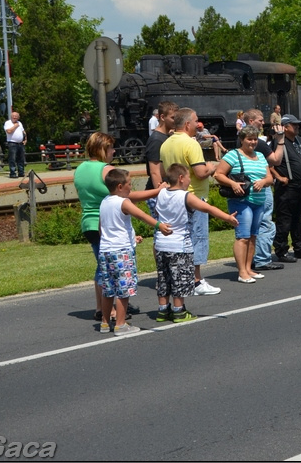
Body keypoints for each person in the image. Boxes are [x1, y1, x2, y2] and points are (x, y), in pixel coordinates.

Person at [75, 132, 157, 325]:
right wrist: (157, 191)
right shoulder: (107, 169)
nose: (113, 151)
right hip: (108, 223)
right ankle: (111, 310)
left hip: (88, 221)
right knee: (112, 269)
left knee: (102, 264)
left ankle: (101, 307)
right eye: (111, 148)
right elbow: (128, 195)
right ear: (103, 148)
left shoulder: (80, 169)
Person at [154, 164, 238, 321]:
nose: (188, 181)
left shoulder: (161, 193)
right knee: (180, 278)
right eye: (188, 177)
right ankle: (179, 310)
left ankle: (163, 310)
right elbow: (207, 208)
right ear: (180, 178)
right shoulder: (185, 196)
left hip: (160, 244)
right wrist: (227, 217)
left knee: (164, 278)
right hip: (179, 245)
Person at [97, 168, 172, 334]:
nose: (131, 187)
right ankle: (120, 324)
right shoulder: (123, 202)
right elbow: (141, 215)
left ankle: (104, 322)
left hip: (106, 251)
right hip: (121, 251)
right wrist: (160, 225)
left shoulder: (104, 201)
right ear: (119, 186)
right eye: (129, 184)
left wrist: (132, 237)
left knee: (108, 289)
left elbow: (102, 228)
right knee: (123, 289)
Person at [160, 107, 221, 296]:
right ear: (187, 124)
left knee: (183, 240)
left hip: (175, 197)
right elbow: (201, 173)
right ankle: (196, 280)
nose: (198, 124)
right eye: (195, 121)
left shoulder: (166, 144)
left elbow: (164, 173)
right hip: (193, 195)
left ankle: (185, 279)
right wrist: (211, 167)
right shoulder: (191, 144)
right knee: (198, 237)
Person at [216, 125, 274, 283]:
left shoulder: (261, 156)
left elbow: (269, 178)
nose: (253, 142)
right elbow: (218, 174)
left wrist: (263, 181)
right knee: (243, 236)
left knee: (253, 236)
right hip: (241, 201)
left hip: (259, 200)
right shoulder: (233, 155)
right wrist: (233, 184)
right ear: (242, 139)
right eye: (249, 139)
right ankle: (242, 271)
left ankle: (249, 268)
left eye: (255, 139)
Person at [242, 109, 284, 271]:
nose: (263, 123)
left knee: (251, 226)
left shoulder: (241, 140)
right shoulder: (257, 142)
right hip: (260, 187)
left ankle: (250, 259)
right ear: (251, 121)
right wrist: (279, 141)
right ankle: (263, 259)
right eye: (260, 120)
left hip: (247, 188)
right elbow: (276, 160)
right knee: (265, 222)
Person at [270, 114, 301, 262]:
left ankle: (300, 248)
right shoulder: (279, 142)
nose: (297, 127)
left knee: (299, 218)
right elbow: (269, 164)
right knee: (284, 219)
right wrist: (279, 177)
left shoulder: (299, 140)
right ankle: (281, 250)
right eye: (293, 125)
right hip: (287, 187)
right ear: (285, 127)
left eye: (297, 125)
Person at [145, 101, 178, 218]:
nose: (176, 120)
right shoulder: (156, 140)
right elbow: (154, 171)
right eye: (173, 117)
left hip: (167, 189)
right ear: (162, 117)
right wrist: (162, 197)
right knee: (164, 229)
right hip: (157, 193)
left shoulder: (166, 136)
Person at [3, 111, 26, 179]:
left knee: (21, 158)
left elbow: (23, 131)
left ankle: (21, 172)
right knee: (12, 158)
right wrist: (15, 126)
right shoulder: (8, 123)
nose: (15, 117)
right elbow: (9, 131)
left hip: (20, 143)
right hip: (12, 143)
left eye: (16, 116)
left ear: (18, 117)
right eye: (13, 116)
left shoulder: (20, 123)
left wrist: (25, 139)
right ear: (11, 116)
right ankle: (12, 173)